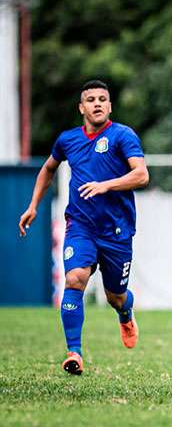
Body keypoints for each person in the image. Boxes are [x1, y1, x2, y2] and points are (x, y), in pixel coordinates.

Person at [18, 80, 149, 375]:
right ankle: (74, 352)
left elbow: (141, 175)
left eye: (103, 99)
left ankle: (125, 313)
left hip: (117, 230)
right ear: (81, 107)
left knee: (115, 296)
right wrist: (33, 205)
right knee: (75, 279)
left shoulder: (122, 135)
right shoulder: (67, 140)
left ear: (110, 106)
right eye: (91, 99)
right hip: (80, 225)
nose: (98, 103)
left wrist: (106, 185)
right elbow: (49, 168)